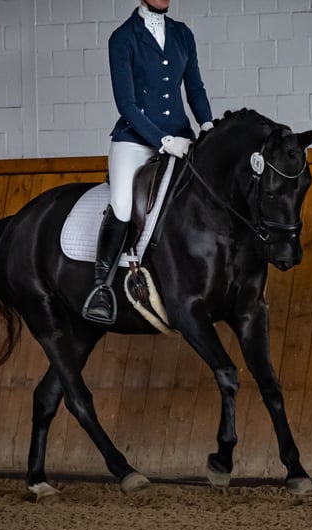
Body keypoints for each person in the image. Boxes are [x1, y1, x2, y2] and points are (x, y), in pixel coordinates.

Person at [83, 0, 214, 323]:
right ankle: (101, 288)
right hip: (136, 140)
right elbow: (126, 103)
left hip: (183, 140)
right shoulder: (123, 38)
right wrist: (163, 141)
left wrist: (208, 125)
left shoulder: (183, 35)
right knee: (124, 204)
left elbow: (194, 88)